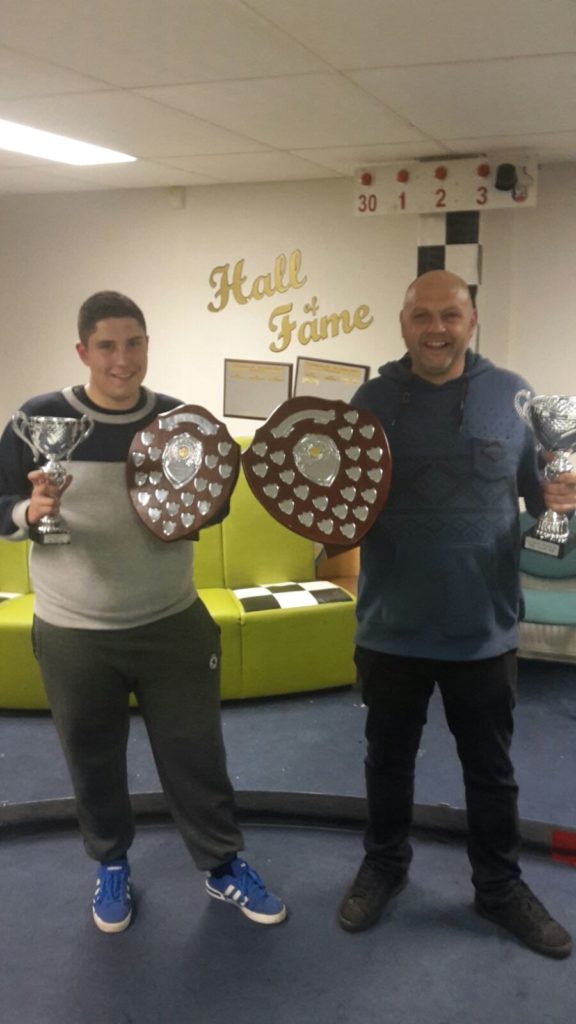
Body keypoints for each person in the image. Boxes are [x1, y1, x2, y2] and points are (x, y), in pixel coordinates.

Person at [0, 290, 286, 933]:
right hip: (73, 632)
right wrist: (27, 512)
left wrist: (207, 499)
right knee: (91, 758)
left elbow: (212, 508)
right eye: (106, 346)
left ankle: (221, 865)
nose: (122, 359)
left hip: (171, 623)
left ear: (148, 345)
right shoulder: (37, 419)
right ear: (83, 351)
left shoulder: (180, 421)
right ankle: (111, 864)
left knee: (196, 755)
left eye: (133, 343)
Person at [337, 270, 576, 959]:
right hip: (391, 625)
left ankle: (499, 887)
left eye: (450, 315)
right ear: (402, 323)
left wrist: (561, 496)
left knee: (491, 773)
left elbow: (540, 495)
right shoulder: (369, 401)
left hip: (483, 629)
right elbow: (341, 503)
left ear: (472, 321)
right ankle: (385, 866)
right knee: (387, 762)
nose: (435, 329)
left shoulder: (513, 396)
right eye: (422, 315)